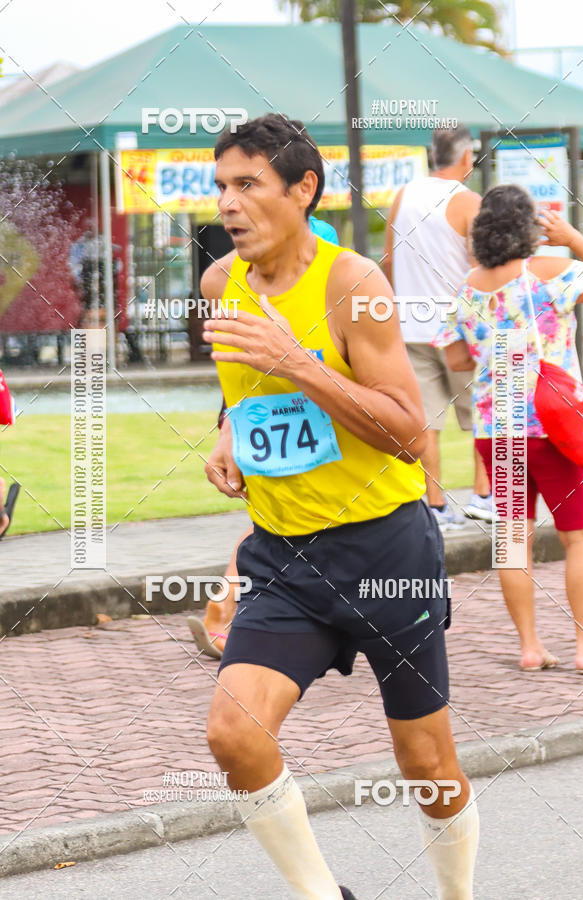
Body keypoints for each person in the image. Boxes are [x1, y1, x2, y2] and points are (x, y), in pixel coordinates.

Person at [202, 114, 479, 900]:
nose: (229, 202)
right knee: (234, 735)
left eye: (248, 184)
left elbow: (406, 431)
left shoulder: (355, 285)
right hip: (283, 556)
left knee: (426, 763)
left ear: (303, 190)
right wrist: (227, 433)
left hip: (386, 552)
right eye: (222, 185)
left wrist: (303, 365)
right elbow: (241, 392)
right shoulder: (220, 286)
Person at [433, 185, 583, 673]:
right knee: (580, 538)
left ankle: (530, 647)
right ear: (529, 227)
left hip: (495, 425)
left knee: (512, 539)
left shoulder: (467, 286)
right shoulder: (548, 273)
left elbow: (456, 357)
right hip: (553, 425)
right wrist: (572, 237)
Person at [188, 215, 340, 659]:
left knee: (276, 516)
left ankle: (241, 611)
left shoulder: (273, 244)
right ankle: (225, 611)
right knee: (268, 520)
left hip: (264, 398)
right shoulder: (313, 239)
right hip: (284, 398)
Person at [383, 124, 493, 531]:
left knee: (426, 420)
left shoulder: (403, 196)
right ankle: (483, 497)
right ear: (466, 158)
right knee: (483, 415)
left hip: (411, 325)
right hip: (462, 329)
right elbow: (483, 267)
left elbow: (389, 261)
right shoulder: (469, 202)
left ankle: (435, 506)